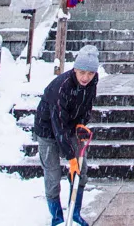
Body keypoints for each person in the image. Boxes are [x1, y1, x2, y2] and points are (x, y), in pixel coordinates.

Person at [33, 45, 100, 226]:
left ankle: (74, 214)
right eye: (82, 73)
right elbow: (58, 126)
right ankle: (57, 219)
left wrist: (81, 123)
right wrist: (71, 158)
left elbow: (87, 106)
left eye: (90, 73)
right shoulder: (61, 87)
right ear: (75, 69)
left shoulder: (92, 83)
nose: (85, 78)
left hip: (70, 127)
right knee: (53, 174)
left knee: (80, 172)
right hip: (48, 130)